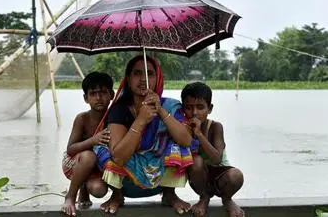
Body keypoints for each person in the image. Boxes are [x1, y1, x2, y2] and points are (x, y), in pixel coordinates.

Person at [93, 55, 196, 214]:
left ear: (157, 78)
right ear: (128, 78)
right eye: (137, 73)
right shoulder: (119, 109)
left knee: (177, 146)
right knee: (106, 150)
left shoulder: (170, 106)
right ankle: (117, 195)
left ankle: (169, 194)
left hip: (159, 174)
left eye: (149, 74)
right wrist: (140, 120)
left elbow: (186, 140)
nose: (143, 79)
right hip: (127, 179)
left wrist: (160, 110)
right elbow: (119, 157)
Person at [181, 82, 244, 217]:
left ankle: (227, 199)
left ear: (209, 109)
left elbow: (217, 159)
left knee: (236, 175)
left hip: (220, 175)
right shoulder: (181, 129)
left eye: (200, 107)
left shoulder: (215, 127)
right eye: (188, 108)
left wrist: (199, 134)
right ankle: (204, 198)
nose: (194, 113)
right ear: (183, 109)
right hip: (198, 178)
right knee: (196, 161)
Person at [61, 71, 115, 216]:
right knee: (89, 156)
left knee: (99, 190)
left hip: (98, 164)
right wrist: (93, 140)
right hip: (75, 162)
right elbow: (71, 149)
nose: (99, 98)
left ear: (112, 95)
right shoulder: (82, 119)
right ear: (86, 98)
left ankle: (85, 186)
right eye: (93, 93)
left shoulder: (115, 118)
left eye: (103, 92)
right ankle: (70, 196)